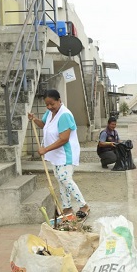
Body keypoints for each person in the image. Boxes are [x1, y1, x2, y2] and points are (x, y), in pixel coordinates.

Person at [28, 89, 90, 219]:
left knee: (65, 179)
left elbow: (64, 139)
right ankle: (67, 208)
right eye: (47, 104)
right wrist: (34, 119)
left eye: (52, 104)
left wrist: (45, 149)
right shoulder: (50, 113)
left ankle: (84, 205)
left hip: (66, 153)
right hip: (56, 154)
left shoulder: (64, 115)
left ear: (59, 101)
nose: (49, 107)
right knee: (60, 180)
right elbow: (44, 125)